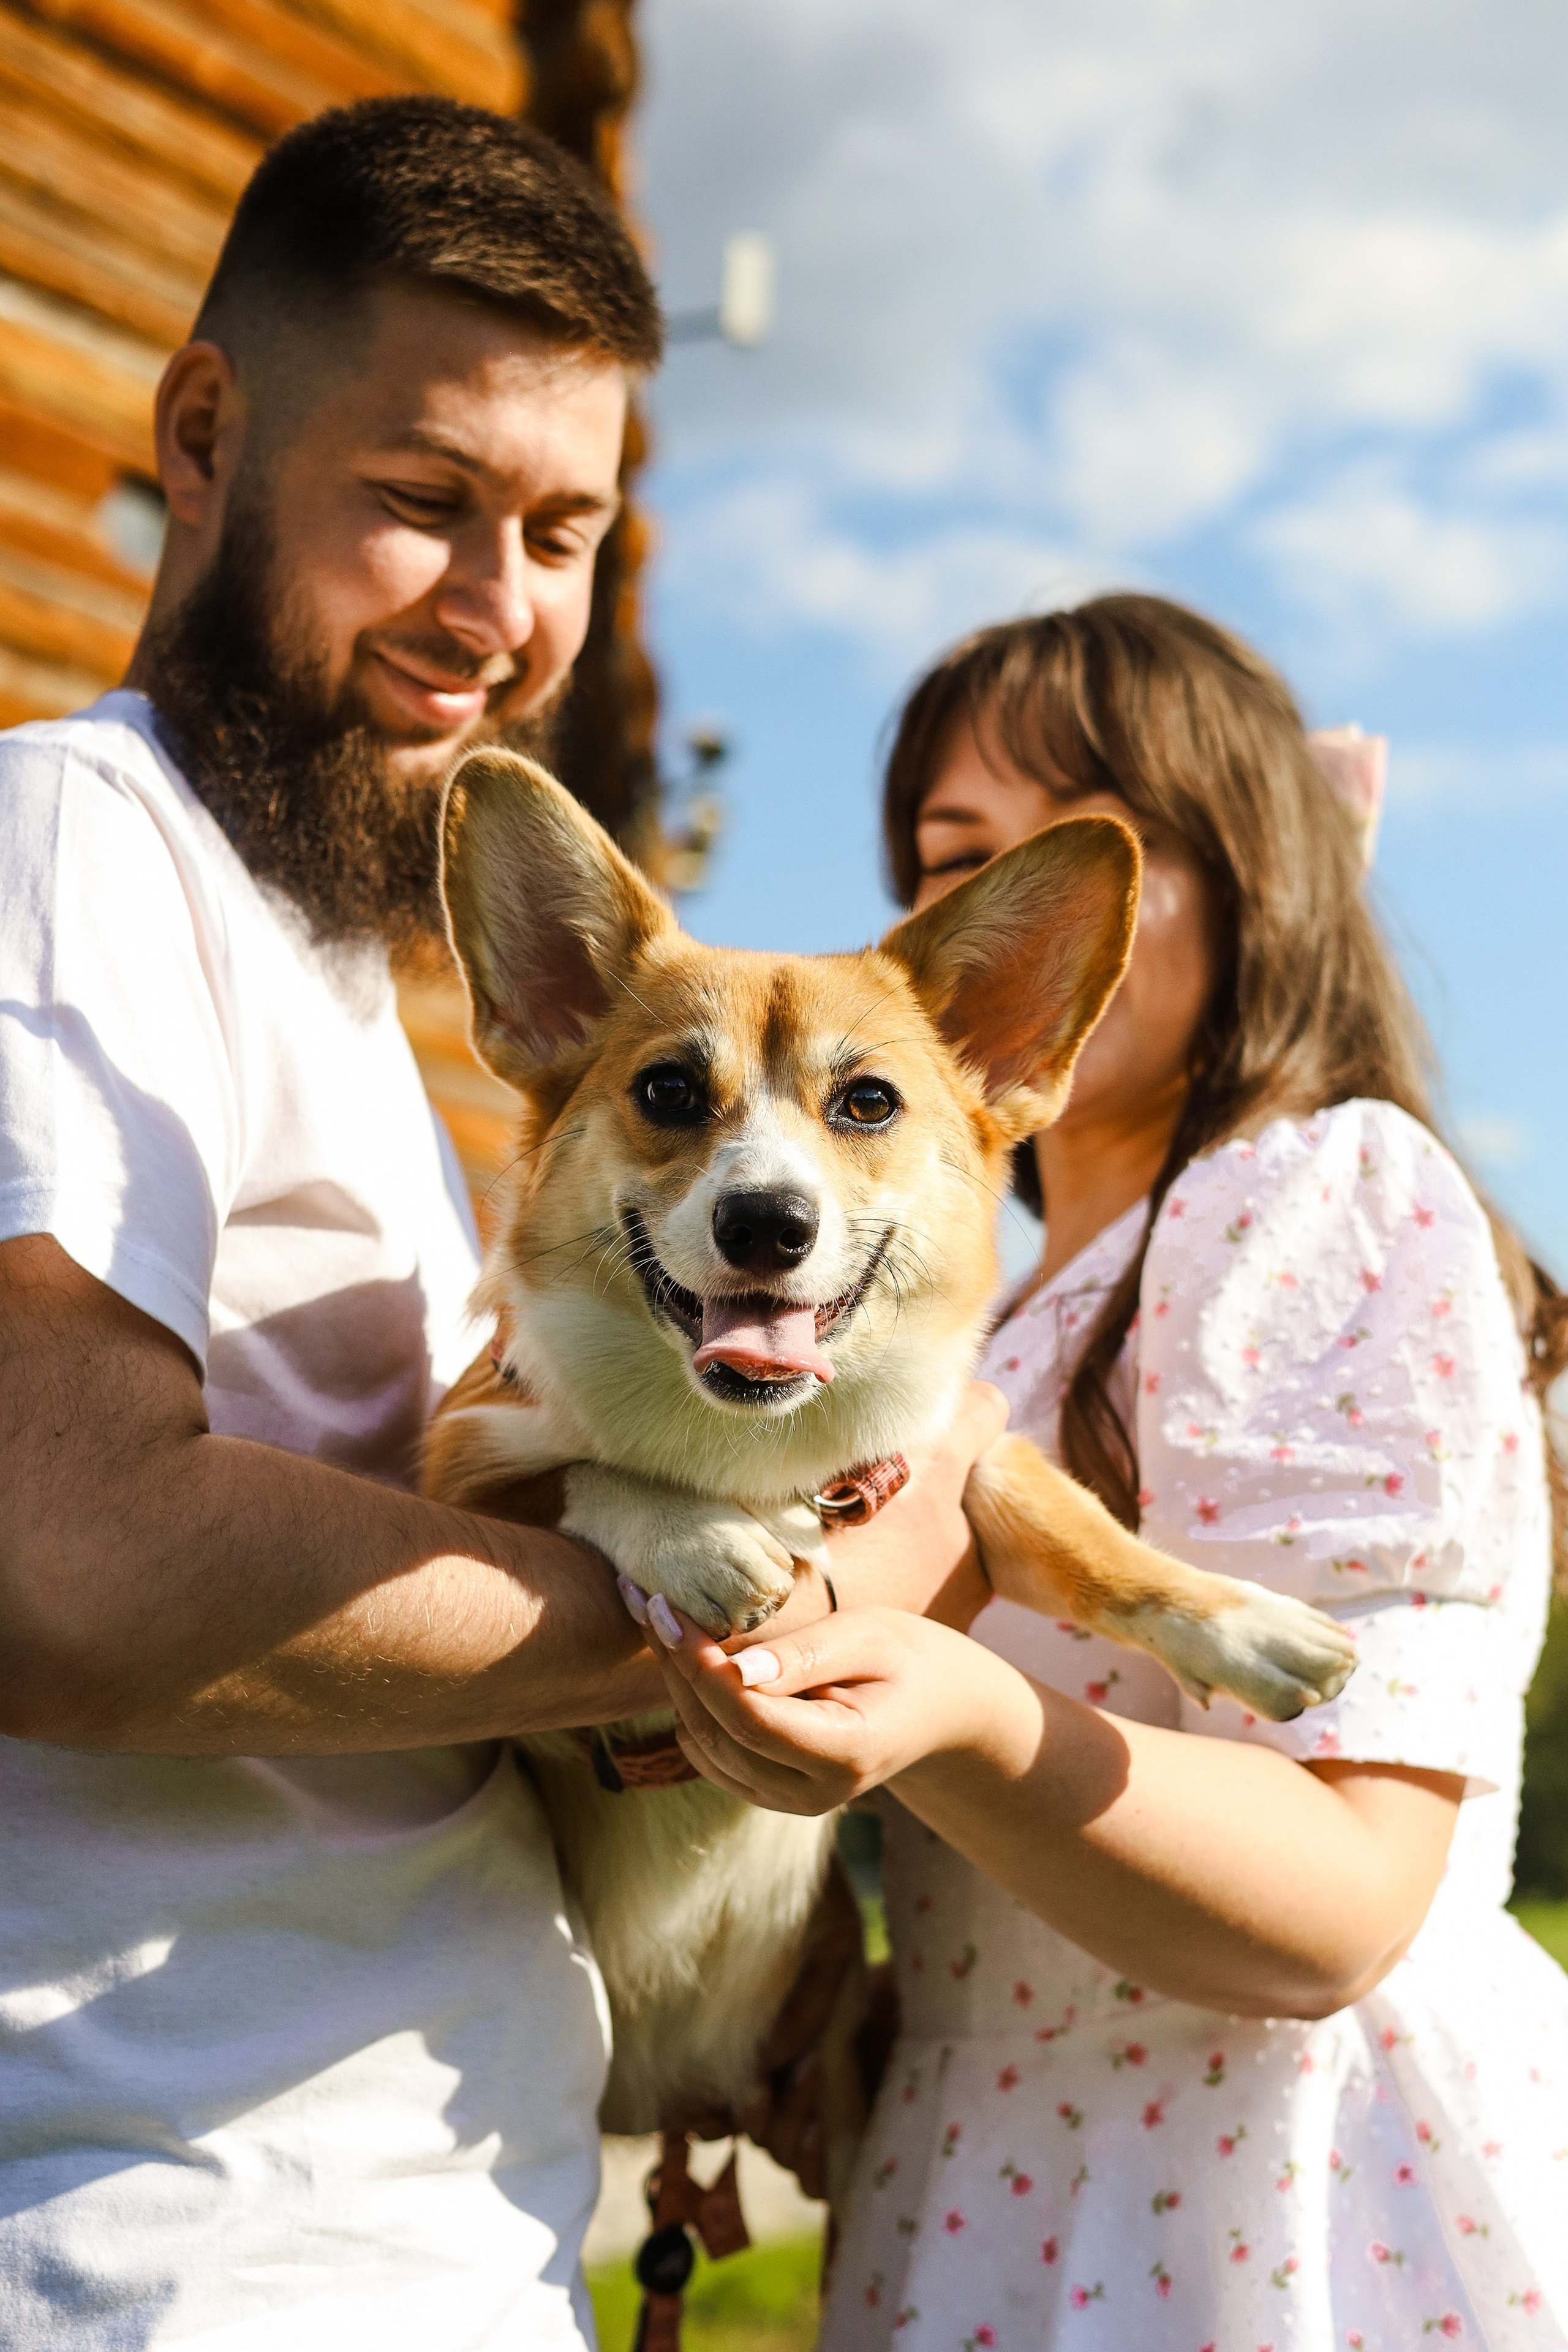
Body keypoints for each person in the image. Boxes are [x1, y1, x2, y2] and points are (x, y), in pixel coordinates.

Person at [0, 97, 992, 2350]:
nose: (502, 610)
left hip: (407, 2218)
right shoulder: (72, 847)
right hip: (182, 2237)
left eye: (566, 530)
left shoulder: (330, 962)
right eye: (427, 502)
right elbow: (59, 1558)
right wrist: (744, 1628)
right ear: (202, 429)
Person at [648, 595, 1568, 2348]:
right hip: (996, 2179)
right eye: (947, 851)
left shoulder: (1310, 1205)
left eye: (1095, 847)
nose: (1010, 908)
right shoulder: (969, 1340)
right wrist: (839, 2020)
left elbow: (1341, 1903)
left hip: (1275, 2196)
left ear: (1260, 881)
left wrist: (959, 1716)